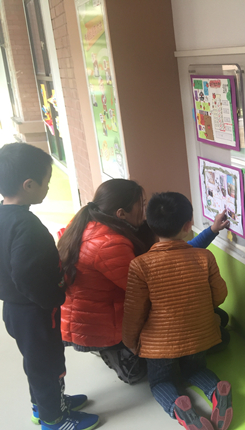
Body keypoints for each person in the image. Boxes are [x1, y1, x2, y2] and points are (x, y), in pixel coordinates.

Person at [58, 179, 230, 384]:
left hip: (116, 306)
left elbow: (176, 254)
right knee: (145, 367)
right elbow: (148, 295)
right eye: (141, 205)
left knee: (218, 319)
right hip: (101, 323)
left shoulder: (98, 223)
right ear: (121, 213)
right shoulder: (109, 244)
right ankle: (112, 352)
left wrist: (212, 230)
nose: (145, 211)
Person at [0, 143, 99, 430]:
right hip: (35, 311)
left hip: (14, 309)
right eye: (46, 182)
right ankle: (54, 419)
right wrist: (53, 297)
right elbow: (25, 273)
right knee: (48, 365)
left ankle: (43, 406)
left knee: (35, 362)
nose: (48, 187)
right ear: (29, 185)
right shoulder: (27, 226)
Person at [123, 192, 232, 430]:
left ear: (150, 224)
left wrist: (130, 342)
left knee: (160, 382)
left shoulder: (140, 265)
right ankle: (216, 390)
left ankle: (180, 408)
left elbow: (134, 312)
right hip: (200, 335)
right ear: (188, 225)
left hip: (159, 345)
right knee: (196, 369)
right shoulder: (204, 257)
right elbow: (220, 295)